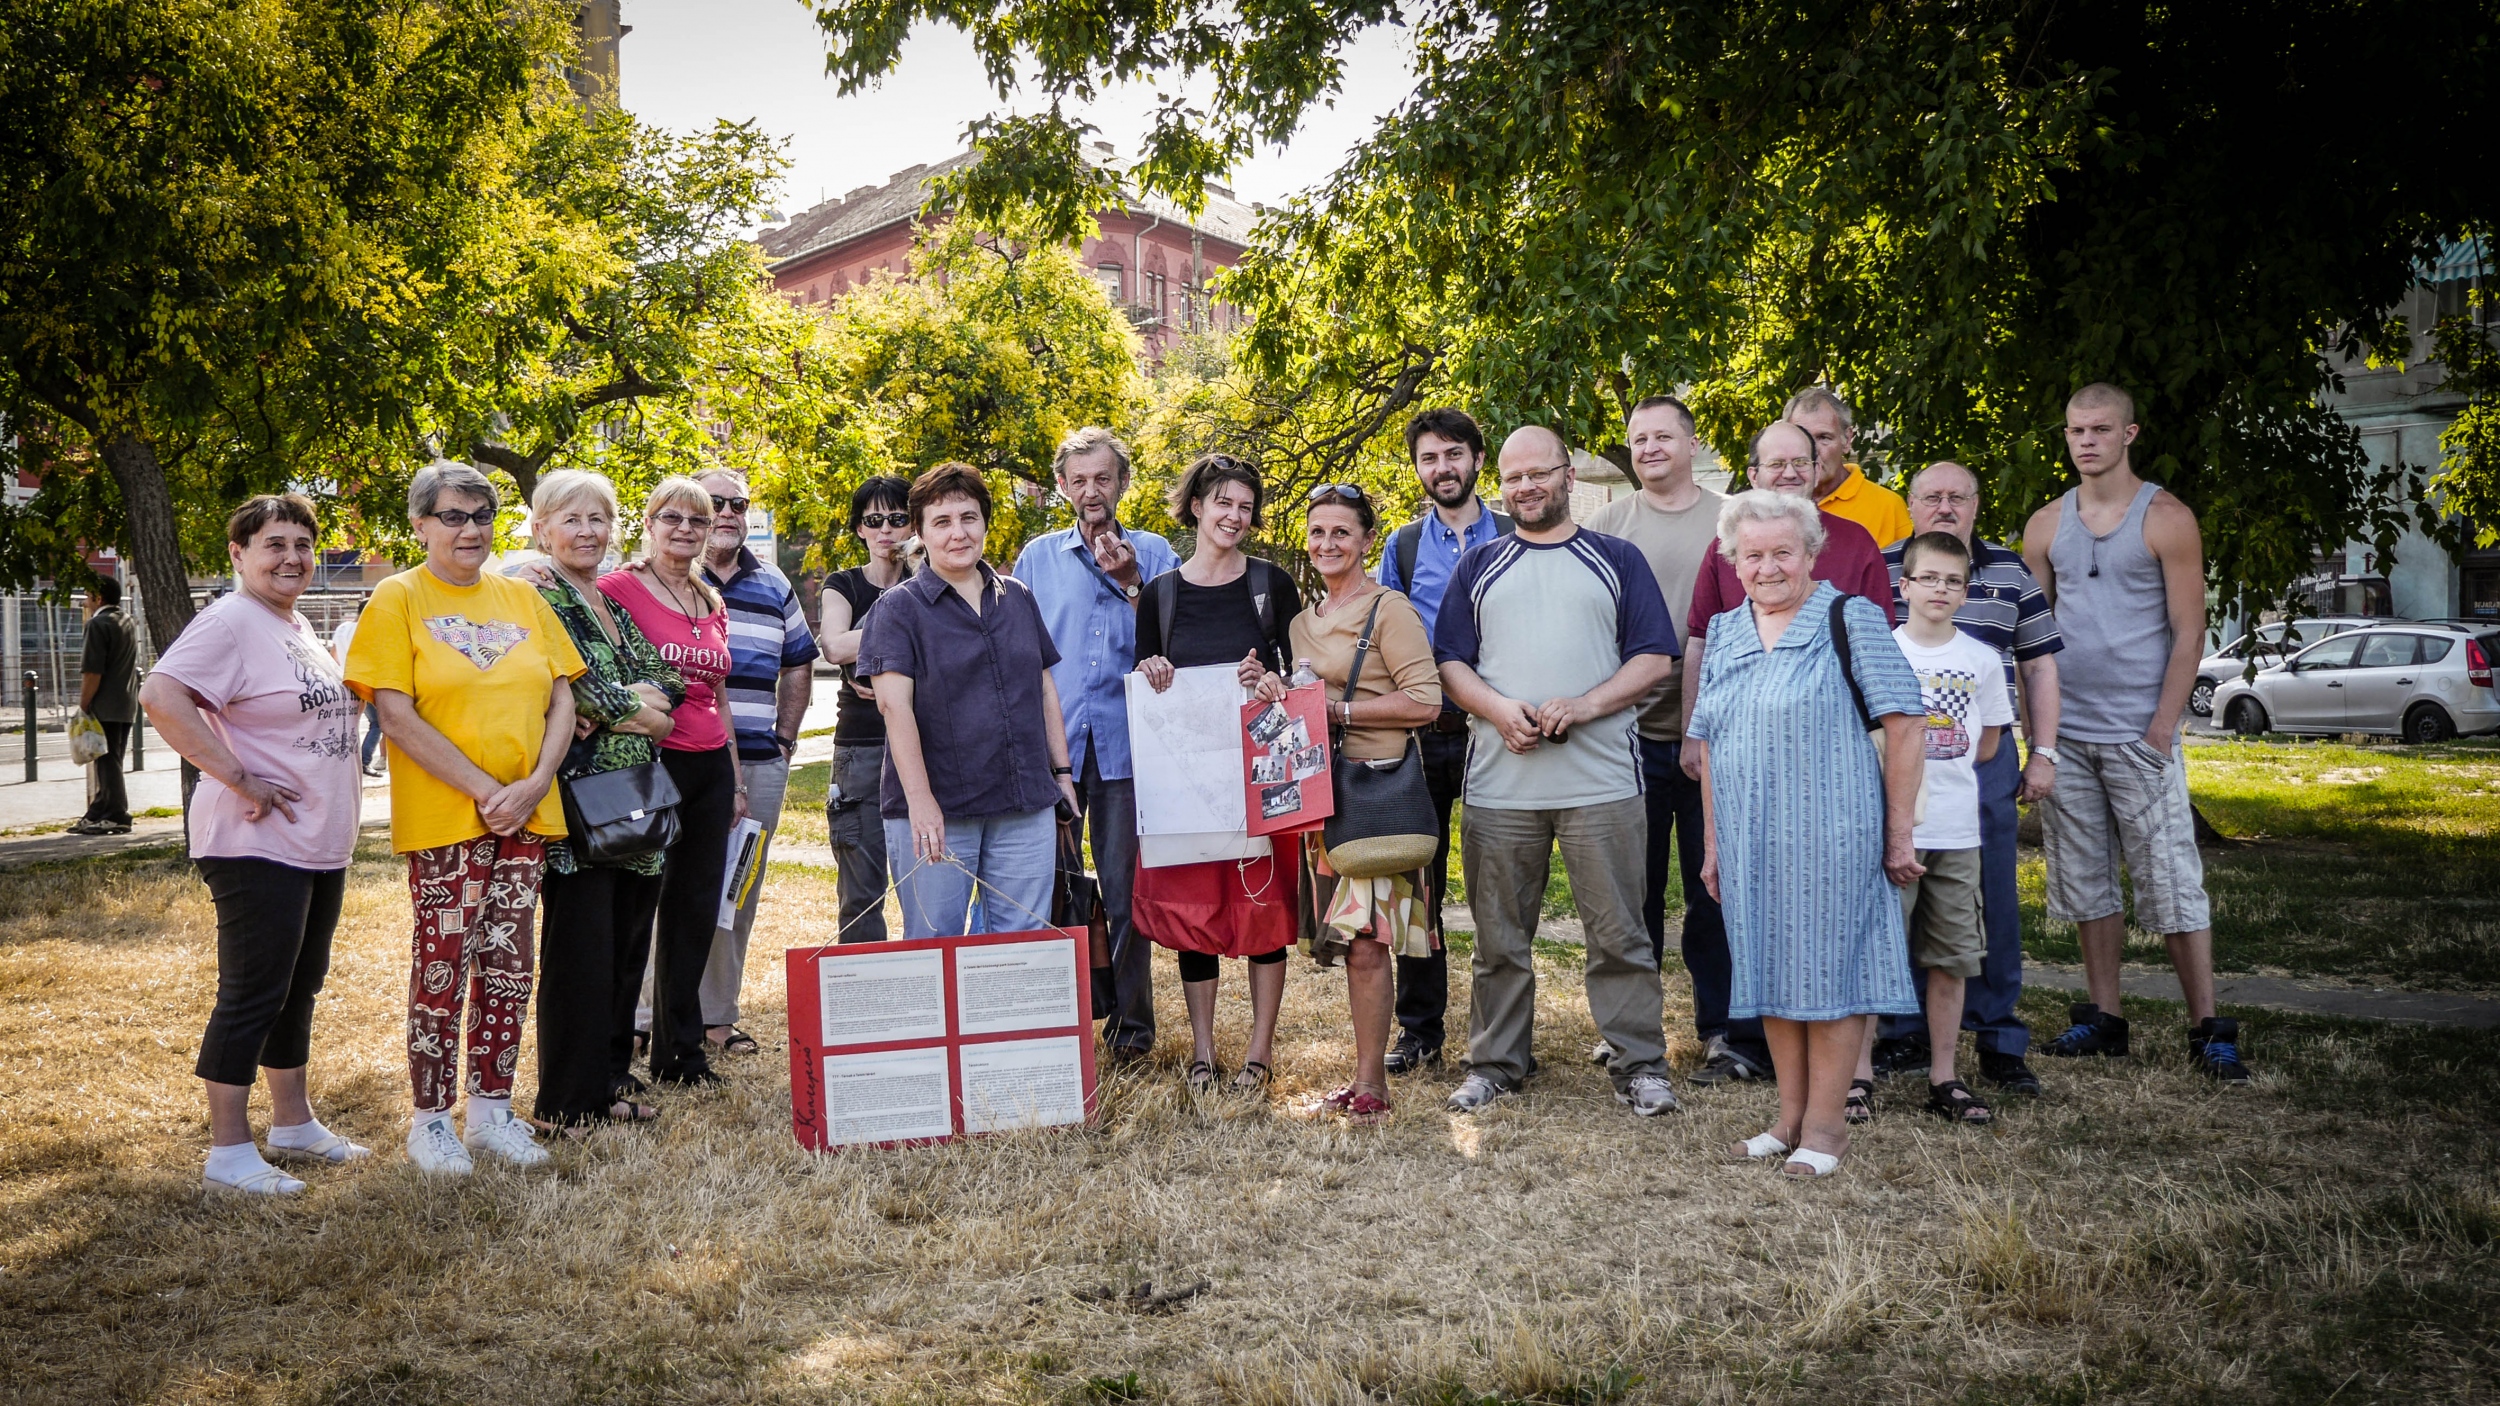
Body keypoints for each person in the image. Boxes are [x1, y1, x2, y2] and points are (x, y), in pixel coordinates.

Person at [344, 460, 584, 1175]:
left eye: (482, 516)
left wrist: (535, 780)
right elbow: (394, 712)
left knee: (510, 965)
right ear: (421, 524)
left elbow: (564, 697)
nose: (470, 529)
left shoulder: (521, 597)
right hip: (450, 819)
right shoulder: (398, 598)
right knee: (443, 967)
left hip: (527, 815)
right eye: (453, 515)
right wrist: (487, 788)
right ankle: (430, 1120)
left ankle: (491, 1112)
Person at [1434, 426, 1681, 1118]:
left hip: (1602, 782)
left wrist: (1588, 703)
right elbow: (1451, 661)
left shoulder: (1616, 559)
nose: (1526, 488)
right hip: (1500, 784)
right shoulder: (1478, 565)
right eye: (1513, 478)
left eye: (1539, 474)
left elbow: (1654, 658)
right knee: (1498, 938)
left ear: (1568, 475)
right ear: (1500, 484)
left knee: (1620, 934)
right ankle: (1495, 1062)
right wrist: (1497, 709)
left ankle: (1639, 1065)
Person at [1687, 489, 1924, 1176]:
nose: (1767, 567)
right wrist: (1712, 844)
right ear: (1733, 561)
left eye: (1782, 552)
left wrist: (1898, 833)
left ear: (1811, 553)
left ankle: (1827, 1129)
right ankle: (1787, 1120)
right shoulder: (1727, 631)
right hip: (1749, 837)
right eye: (1752, 555)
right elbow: (1709, 744)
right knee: (1767, 974)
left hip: (1835, 834)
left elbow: (1906, 724)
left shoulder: (1851, 617)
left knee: (1830, 980)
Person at [140, 494, 368, 1195]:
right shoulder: (232, 620)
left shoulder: (292, 623)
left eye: (303, 543)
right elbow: (161, 694)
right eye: (274, 544)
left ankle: (293, 1123)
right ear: (238, 555)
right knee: (252, 992)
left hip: (315, 840)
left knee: (298, 986)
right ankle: (229, 1153)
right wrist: (239, 776)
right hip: (255, 841)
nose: (292, 557)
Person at [2022, 383, 2248, 1083]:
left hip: (2138, 735)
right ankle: (2104, 1018)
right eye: (2075, 430)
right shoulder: (2043, 525)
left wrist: (2160, 730)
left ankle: (2206, 1027)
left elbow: (2189, 633)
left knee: (2171, 882)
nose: (2086, 440)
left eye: (2100, 429)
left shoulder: (2168, 518)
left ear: (2130, 433)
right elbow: (2031, 638)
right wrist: (2040, 738)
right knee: (2086, 883)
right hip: (2069, 734)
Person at [1677, 419, 1895, 1082]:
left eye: (1802, 459)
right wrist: (1695, 734)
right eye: (1775, 462)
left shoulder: (1852, 559)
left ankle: (1840, 1090)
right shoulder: (1729, 574)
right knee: (1750, 925)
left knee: (1830, 939)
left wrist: (1893, 819)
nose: (1789, 472)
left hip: (1831, 793)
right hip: (1747, 789)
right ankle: (1750, 1054)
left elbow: (1888, 696)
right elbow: (1701, 646)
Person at [1241, 484, 1440, 1124]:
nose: (1328, 544)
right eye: (1317, 532)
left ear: (1365, 541)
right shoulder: (1303, 621)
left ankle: (1372, 1083)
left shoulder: (1390, 610)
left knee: (1367, 945)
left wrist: (1342, 710)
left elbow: (1427, 702)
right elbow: (1303, 705)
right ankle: (1364, 1076)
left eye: (1341, 533)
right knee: (1349, 940)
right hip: (1325, 800)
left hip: (1378, 791)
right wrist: (1270, 686)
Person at [1873, 461, 2064, 1095]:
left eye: (1959, 497)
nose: (1946, 507)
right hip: (1896, 760)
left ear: (1977, 504)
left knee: (1986, 902)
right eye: (1933, 496)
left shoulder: (2008, 571)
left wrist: (2044, 752)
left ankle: (1996, 1036)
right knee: (1891, 897)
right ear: (1912, 504)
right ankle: (1899, 1035)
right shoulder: (1882, 567)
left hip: (1982, 756)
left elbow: (2038, 667)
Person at [510, 470, 680, 1128]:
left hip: (639, 800)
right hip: (580, 800)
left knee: (624, 950)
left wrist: (641, 706)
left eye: (598, 520)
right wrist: (647, 712)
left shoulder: (610, 600)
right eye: (571, 519)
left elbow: (669, 680)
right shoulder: (540, 592)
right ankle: (565, 1102)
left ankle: (607, 1085)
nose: (587, 532)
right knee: (580, 955)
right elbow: (583, 691)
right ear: (542, 528)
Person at [1133, 453, 1305, 1096]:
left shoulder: (1272, 584)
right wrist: (1151, 672)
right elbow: (1142, 679)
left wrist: (1272, 681)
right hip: (1185, 784)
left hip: (1259, 775)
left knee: (1262, 910)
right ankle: (1204, 1051)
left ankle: (1259, 1053)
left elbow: (1300, 676)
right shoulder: (1160, 594)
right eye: (1223, 503)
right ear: (1197, 507)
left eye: (1245, 506)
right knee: (1195, 913)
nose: (1235, 516)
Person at [1012, 428, 1181, 1064]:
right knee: (1047, 890)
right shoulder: (1037, 558)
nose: (1091, 491)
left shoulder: (1158, 552)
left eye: (1102, 478)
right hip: (1050, 751)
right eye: (1078, 480)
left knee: (1124, 891)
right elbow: (1020, 651)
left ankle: (1132, 1033)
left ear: (1122, 484)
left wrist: (1132, 580)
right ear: (1062, 486)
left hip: (1126, 753)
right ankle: (1050, 1027)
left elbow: (1172, 640)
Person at [860, 462, 1081, 939]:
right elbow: (894, 710)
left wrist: (1062, 775)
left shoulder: (1018, 597)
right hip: (938, 810)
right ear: (919, 532)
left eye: (969, 517)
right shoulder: (897, 610)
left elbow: (1043, 688)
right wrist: (921, 803)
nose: (957, 533)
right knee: (935, 944)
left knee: (1022, 945)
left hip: (1023, 805)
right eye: (941, 522)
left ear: (985, 522)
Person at [1582, 395, 1733, 1079]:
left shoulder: (1730, 521)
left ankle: (1722, 1027)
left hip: (1711, 737)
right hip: (1628, 740)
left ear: (1692, 443)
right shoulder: (1608, 525)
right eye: (1638, 439)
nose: (1648, 449)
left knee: (1714, 891)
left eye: (1662, 436)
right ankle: (1629, 1030)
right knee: (1630, 893)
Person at [1855, 531, 2014, 1127]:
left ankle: (1944, 1075)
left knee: (1951, 956)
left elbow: (1989, 741)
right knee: (1875, 953)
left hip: (1956, 832)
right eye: (1929, 578)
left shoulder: (1980, 659)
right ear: (1905, 587)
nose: (1940, 589)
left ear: (1966, 591)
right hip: (1893, 828)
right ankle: (1859, 1074)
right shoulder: (1882, 654)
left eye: (1952, 580)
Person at [1374, 408, 1514, 1074]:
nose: (1442, 468)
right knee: (1416, 889)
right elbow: (1382, 639)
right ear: (1418, 470)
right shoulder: (1401, 548)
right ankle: (1420, 1032)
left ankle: (1502, 1035)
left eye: (1453, 454)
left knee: (1501, 887)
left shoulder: (1519, 533)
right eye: (1429, 458)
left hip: (1498, 732)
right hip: (1423, 738)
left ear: (1478, 460)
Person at [599, 476, 741, 1090]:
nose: (684, 529)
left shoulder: (710, 600)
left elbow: (719, 696)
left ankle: (680, 1053)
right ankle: (611, 1055)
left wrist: (734, 777)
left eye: (698, 521)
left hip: (709, 767)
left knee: (694, 913)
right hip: (648, 764)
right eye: (671, 517)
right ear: (649, 523)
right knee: (632, 911)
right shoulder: (618, 589)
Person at [696, 469, 821, 1056]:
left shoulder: (774, 584)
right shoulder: (662, 576)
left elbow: (799, 662)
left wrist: (787, 738)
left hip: (760, 764)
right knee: (667, 886)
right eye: (713, 502)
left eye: (737, 503)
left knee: (734, 889)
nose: (726, 512)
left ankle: (717, 1019)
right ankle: (646, 1017)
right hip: (682, 762)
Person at [819, 476, 912, 943]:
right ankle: (867, 1005)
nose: (886, 531)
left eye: (897, 519)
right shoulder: (844, 584)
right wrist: (908, 629)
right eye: (874, 521)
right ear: (860, 529)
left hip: (926, 743)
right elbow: (834, 646)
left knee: (927, 886)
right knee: (862, 893)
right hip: (862, 749)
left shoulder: (932, 583)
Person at [1784, 386, 1914, 548]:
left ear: (1847, 439)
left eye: (1823, 437)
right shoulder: (1770, 504)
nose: (1813, 450)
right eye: (1803, 437)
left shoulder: (1887, 507)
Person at [68, 576, 139, 836]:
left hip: (104, 704)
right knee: (112, 760)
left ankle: (117, 814)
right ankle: (98, 810)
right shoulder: (127, 621)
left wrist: (84, 705)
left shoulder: (97, 624)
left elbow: (92, 671)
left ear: (98, 598)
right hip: (126, 702)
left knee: (106, 762)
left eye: (88, 597)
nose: (85, 602)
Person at [330, 602, 386, 778]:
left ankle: (342, 763)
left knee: (347, 725)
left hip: (344, 681)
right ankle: (364, 762)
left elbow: (333, 655)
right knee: (377, 724)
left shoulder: (343, 628)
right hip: (364, 682)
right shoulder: (368, 630)